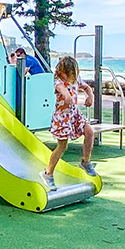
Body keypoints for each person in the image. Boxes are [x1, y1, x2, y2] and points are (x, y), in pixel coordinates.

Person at [43, 56, 97, 189]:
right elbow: (63, 90)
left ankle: (85, 162)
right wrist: (67, 96)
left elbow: (87, 88)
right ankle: (48, 173)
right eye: (67, 75)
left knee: (89, 131)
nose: (70, 78)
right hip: (62, 117)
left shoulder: (75, 79)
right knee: (62, 147)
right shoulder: (58, 82)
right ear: (61, 72)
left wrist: (90, 96)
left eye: (72, 75)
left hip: (74, 113)